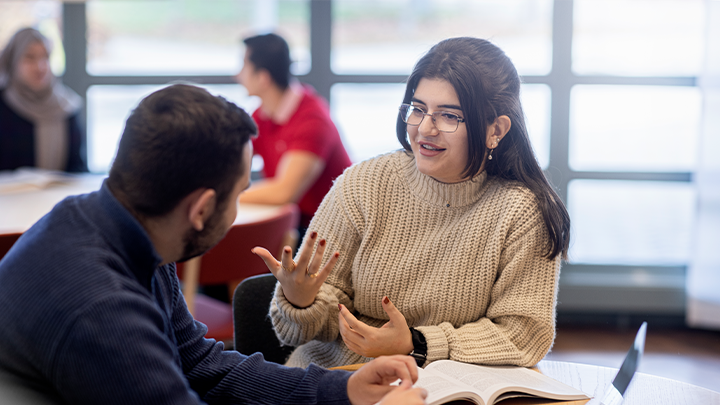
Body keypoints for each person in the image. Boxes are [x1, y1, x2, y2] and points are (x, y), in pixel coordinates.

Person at [0, 84, 427, 405]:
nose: (238, 206)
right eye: (239, 193)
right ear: (201, 209)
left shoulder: (125, 223)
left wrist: (342, 389)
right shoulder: (100, 307)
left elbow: (199, 363)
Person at [254, 37, 571, 370]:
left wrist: (416, 344)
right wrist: (301, 301)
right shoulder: (364, 184)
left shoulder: (521, 212)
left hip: (446, 387)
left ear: (496, 129)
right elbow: (301, 329)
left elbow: (524, 334)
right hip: (337, 377)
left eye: (449, 116)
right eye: (418, 109)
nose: (425, 129)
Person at [236, 33, 352, 236]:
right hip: (298, 225)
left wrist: (222, 196)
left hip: (330, 233)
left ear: (263, 77)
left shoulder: (312, 119)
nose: (237, 75)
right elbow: (232, 160)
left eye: (243, 66)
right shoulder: (263, 114)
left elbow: (284, 192)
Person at [0, 27, 87, 172]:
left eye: (45, 57)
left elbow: (78, 169)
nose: (40, 67)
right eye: (30, 57)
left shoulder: (67, 107)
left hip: (59, 194)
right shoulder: (3, 105)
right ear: (13, 61)